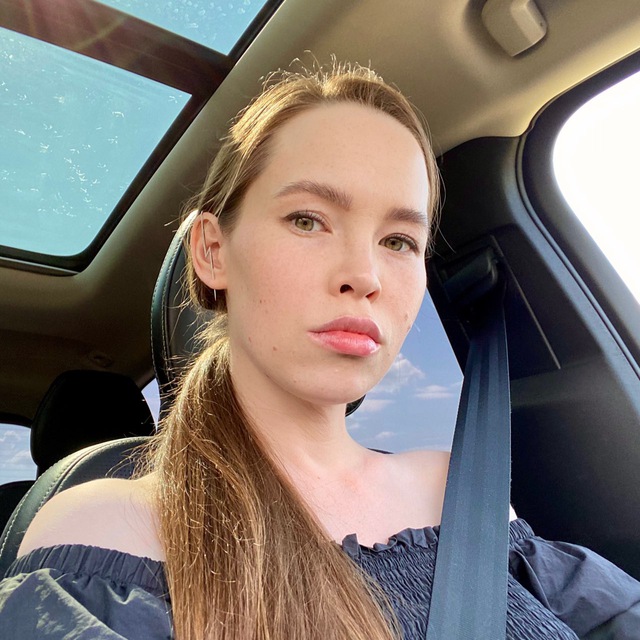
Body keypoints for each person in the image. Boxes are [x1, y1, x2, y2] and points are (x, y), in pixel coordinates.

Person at [1, 63, 639, 640]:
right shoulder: (106, 534)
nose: (365, 274)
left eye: (399, 241)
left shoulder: (464, 492)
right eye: (308, 220)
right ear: (213, 252)